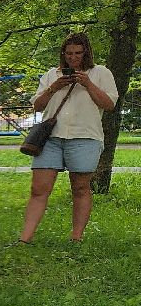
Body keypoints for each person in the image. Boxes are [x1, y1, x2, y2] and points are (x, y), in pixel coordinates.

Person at [17, 32, 118, 243]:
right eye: (69, 53)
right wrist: (54, 87)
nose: (73, 58)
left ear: (86, 53)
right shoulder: (51, 74)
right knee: (38, 189)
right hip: (51, 138)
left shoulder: (101, 73)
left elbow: (109, 105)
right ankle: (24, 239)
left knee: (80, 188)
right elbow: (38, 105)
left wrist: (88, 84)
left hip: (85, 137)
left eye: (78, 53)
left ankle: (76, 238)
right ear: (63, 53)